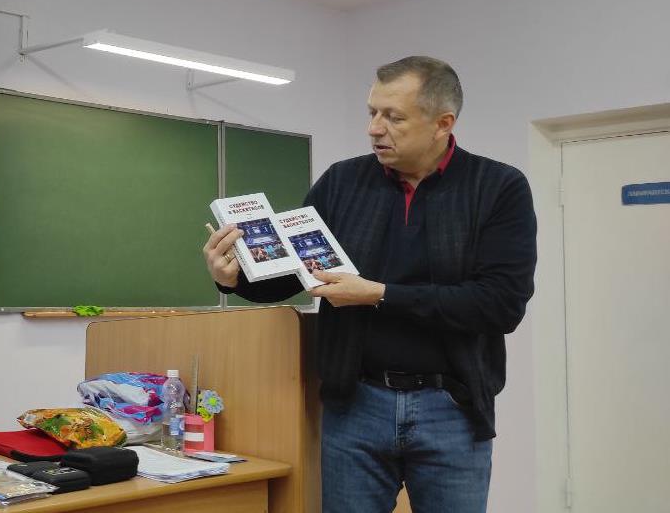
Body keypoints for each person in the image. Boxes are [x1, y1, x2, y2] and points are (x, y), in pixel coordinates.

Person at [203, 56, 537, 513]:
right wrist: (234, 278)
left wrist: (380, 295)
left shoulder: (498, 187)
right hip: (355, 405)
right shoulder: (343, 181)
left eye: (393, 117)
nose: (374, 129)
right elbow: (293, 274)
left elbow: (500, 304)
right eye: (372, 112)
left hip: (452, 408)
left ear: (443, 124)